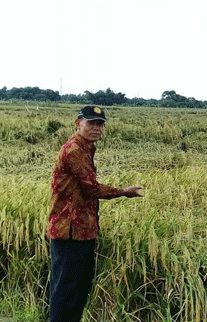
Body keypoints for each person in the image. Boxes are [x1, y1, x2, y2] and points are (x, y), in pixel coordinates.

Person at [47, 106, 143, 322]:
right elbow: (91, 188)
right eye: (92, 123)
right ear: (78, 123)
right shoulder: (73, 151)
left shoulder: (85, 149)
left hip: (82, 229)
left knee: (78, 287)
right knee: (66, 289)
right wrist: (123, 192)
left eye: (100, 124)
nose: (97, 128)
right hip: (69, 231)